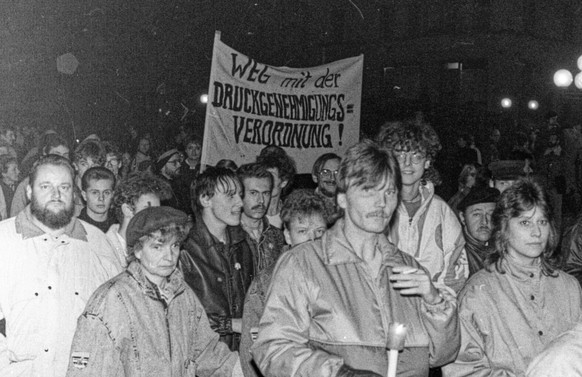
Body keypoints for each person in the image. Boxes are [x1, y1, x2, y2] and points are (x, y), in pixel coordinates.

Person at [251, 140, 460, 377]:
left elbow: (442, 356)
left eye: (389, 192)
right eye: (368, 190)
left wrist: (435, 301)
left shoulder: (408, 268)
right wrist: (339, 374)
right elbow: (272, 348)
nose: (381, 203)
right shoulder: (304, 262)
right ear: (342, 199)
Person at [65, 206, 244, 377]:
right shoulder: (111, 300)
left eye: (174, 246)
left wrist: (253, 370)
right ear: (138, 251)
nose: (169, 256)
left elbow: (209, 354)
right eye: (158, 247)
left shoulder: (182, 294)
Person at [442, 178, 582, 376]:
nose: (536, 232)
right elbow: (464, 370)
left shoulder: (569, 288)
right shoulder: (478, 293)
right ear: (504, 228)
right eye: (525, 222)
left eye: (542, 222)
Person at [0, 155, 121, 377]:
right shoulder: (4, 240)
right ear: (29, 192)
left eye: (64, 187)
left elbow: (117, 318)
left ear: (74, 194)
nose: (56, 195)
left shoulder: (96, 242)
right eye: (46, 186)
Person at [240, 188, 328, 377]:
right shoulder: (267, 282)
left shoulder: (338, 277)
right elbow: (253, 351)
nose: (312, 240)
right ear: (287, 236)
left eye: (319, 231)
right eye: (302, 231)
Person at [376, 120, 468, 293]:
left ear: (427, 162)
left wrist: (435, 302)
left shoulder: (442, 211)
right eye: (400, 156)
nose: (408, 163)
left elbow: (455, 273)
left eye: (416, 156)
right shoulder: (375, 208)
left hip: (431, 310)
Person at [180, 166, 255, 351]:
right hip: (205, 359)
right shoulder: (185, 250)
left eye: (240, 194)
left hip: (240, 355)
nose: (239, 202)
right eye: (230, 195)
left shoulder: (243, 244)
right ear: (205, 199)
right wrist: (231, 325)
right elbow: (181, 318)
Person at [107, 172, 170, 269]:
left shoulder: (153, 246)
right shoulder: (106, 252)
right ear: (127, 210)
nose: (156, 217)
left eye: (158, 211)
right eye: (148, 210)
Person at [237, 163, 285, 273]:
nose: (261, 200)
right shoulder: (227, 235)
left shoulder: (278, 236)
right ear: (240, 194)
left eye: (266, 193)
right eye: (253, 193)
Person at [10, 133, 70, 217]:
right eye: (57, 154)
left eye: (65, 155)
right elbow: (16, 215)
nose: (61, 158)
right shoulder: (28, 183)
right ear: (45, 153)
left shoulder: (72, 182)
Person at [456, 186, 500, 276]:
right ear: (462, 217)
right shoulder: (458, 254)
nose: (484, 222)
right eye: (476, 214)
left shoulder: (497, 248)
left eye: (491, 214)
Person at [256, 147, 296, 228]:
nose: (265, 181)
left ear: (284, 182)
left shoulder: (292, 215)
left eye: (271, 176)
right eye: (262, 175)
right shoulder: (251, 214)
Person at [78, 167, 116, 233]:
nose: (101, 198)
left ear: (112, 195)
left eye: (106, 192)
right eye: (95, 193)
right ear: (84, 195)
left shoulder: (119, 226)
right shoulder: (75, 228)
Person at [311, 152, 342, 225]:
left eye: (337, 172)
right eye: (325, 172)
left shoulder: (350, 204)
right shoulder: (304, 205)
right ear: (315, 177)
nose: (332, 178)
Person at [0, 155, 19, 220]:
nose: (18, 172)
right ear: (4, 173)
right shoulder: (1, 190)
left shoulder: (19, 186)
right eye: (14, 170)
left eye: (17, 168)